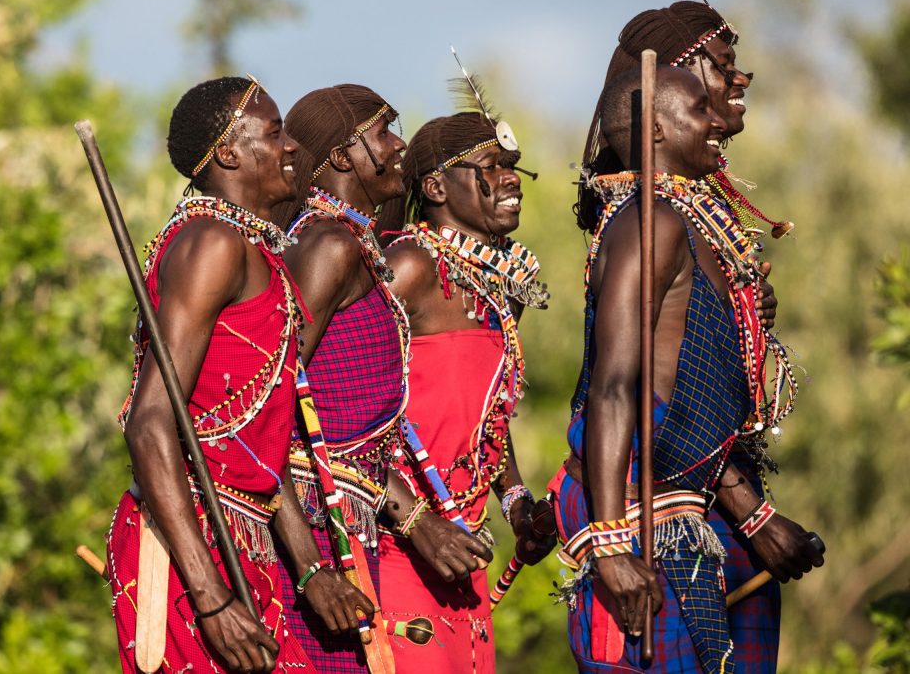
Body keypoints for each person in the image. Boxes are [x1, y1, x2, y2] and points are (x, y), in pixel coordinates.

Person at [544, 66, 823, 672]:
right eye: (701, 111)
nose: (721, 121)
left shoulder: (687, 222)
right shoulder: (651, 224)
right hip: (644, 507)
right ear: (659, 132)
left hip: (685, 499)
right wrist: (614, 542)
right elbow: (614, 387)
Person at [107, 76, 371, 674]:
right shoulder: (212, 245)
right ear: (228, 152)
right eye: (274, 132)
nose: (293, 148)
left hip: (240, 538)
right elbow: (149, 424)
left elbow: (248, 442)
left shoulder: (259, 254)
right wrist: (211, 597)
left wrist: (308, 569)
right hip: (190, 547)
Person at [271, 85, 494, 673]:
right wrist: (313, 570)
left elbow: (363, 423)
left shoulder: (356, 245)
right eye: (385, 132)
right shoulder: (327, 246)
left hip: (348, 524)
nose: (400, 146)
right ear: (344, 157)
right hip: (315, 532)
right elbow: (274, 406)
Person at [375, 110, 553, 673]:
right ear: (434, 187)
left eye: (513, 167)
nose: (510, 179)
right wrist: (415, 522)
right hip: (398, 546)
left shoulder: (501, 287)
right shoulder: (407, 266)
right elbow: (338, 413)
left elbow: (487, 417)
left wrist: (517, 503)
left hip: (464, 550)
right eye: (491, 166)